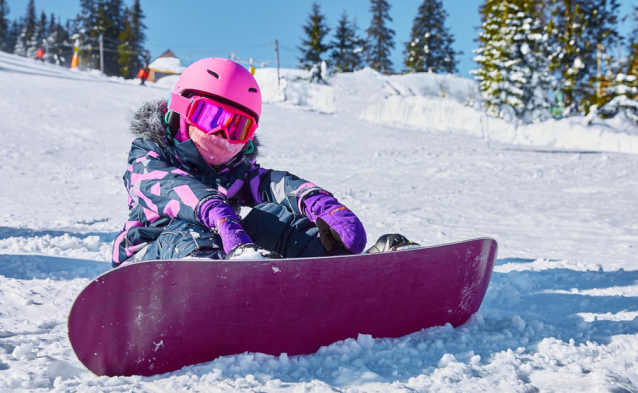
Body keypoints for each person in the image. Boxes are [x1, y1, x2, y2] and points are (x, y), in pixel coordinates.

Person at [111, 58, 416, 267]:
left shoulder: (234, 170)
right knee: (188, 230)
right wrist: (215, 211)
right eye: (210, 117)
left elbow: (274, 185)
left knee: (273, 217)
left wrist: (321, 204)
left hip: (226, 258)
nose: (222, 135)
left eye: (237, 127)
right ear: (180, 111)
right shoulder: (148, 156)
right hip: (144, 266)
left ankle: (338, 266)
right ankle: (212, 285)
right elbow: (168, 188)